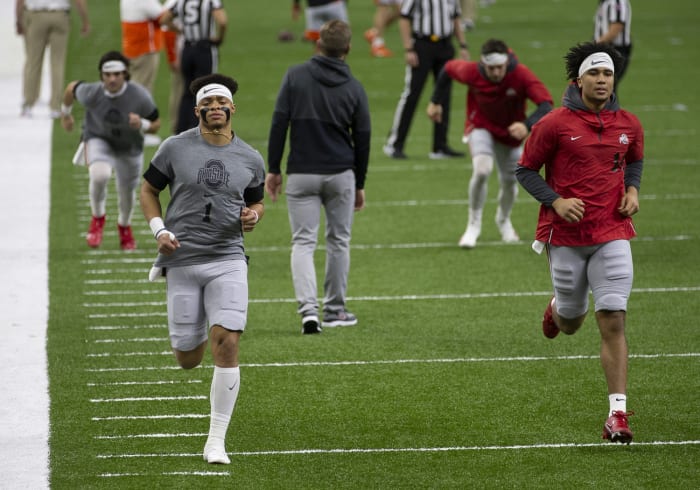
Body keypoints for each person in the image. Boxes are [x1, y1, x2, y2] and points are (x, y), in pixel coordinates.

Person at [515, 42, 644, 444]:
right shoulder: (554, 123)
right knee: (571, 322)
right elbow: (525, 170)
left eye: (607, 74)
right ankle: (557, 309)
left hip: (612, 232)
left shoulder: (629, 123)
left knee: (613, 318)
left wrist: (633, 190)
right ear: (578, 80)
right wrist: (556, 200)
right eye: (595, 74)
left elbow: (634, 159)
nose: (602, 80)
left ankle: (617, 415)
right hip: (566, 237)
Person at [139, 73, 266, 464]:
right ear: (197, 111)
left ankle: (216, 440)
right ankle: (188, 345)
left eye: (221, 104)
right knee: (188, 358)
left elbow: (257, 200)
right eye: (207, 105)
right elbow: (148, 189)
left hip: (227, 257)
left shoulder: (250, 157)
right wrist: (159, 229)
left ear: (232, 109)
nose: (215, 109)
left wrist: (254, 216)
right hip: (182, 259)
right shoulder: (175, 147)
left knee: (226, 340)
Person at [266, 20, 370, 334]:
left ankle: (309, 312)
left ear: (317, 44)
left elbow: (278, 123)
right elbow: (363, 137)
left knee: (302, 243)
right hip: (341, 174)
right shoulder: (354, 87)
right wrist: (360, 182)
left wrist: (274, 169)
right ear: (348, 49)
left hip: (301, 174)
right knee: (339, 242)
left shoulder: (295, 77)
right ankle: (335, 310)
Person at [427, 39, 553, 248]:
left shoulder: (521, 74)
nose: (496, 72)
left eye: (500, 68)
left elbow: (546, 105)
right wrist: (435, 101)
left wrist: (526, 125)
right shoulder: (471, 72)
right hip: (480, 125)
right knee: (482, 170)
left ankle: (503, 220)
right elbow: (448, 69)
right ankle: (473, 225)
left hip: (510, 132)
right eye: (491, 68)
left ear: (506, 63)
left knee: (510, 180)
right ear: (483, 64)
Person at [60, 51, 161, 250]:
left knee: (126, 191)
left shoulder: (139, 95)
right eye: (107, 75)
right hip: (99, 138)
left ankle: (124, 226)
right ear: (101, 75)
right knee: (99, 175)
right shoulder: (92, 92)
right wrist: (65, 114)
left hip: (129, 146)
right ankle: (98, 218)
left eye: (117, 74)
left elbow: (156, 123)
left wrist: (141, 123)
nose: (112, 79)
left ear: (125, 74)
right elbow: (71, 88)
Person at [383, 0, 469, 160]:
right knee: (412, 94)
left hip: (445, 45)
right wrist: (408, 48)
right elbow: (404, 18)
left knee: (443, 96)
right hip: (422, 45)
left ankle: (440, 146)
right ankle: (395, 144)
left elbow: (455, 18)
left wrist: (463, 45)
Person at [160, 0, 227, 133]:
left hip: (187, 49)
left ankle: (181, 129)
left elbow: (164, 19)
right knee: (205, 90)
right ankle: (198, 128)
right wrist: (220, 38)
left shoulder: (182, 2)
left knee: (187, 90)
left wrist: (180, 30)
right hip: (204, 48)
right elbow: (222, 21)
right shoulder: (211, 1)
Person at [15, 0, 90, 118]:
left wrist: (18, 20)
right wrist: (85, 21)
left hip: (36, 15)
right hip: (59, 15)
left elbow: (20, 1)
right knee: (57, 63)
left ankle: (28, 104)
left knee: (33, 61)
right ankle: (55, 106)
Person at [594, 0, 632, 90]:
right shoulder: (606, 2)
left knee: (606, 89)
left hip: (614, 51)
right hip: (606, 49)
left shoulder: (617, 2)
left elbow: (615, 29)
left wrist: (594, 46)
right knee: (606, 90)